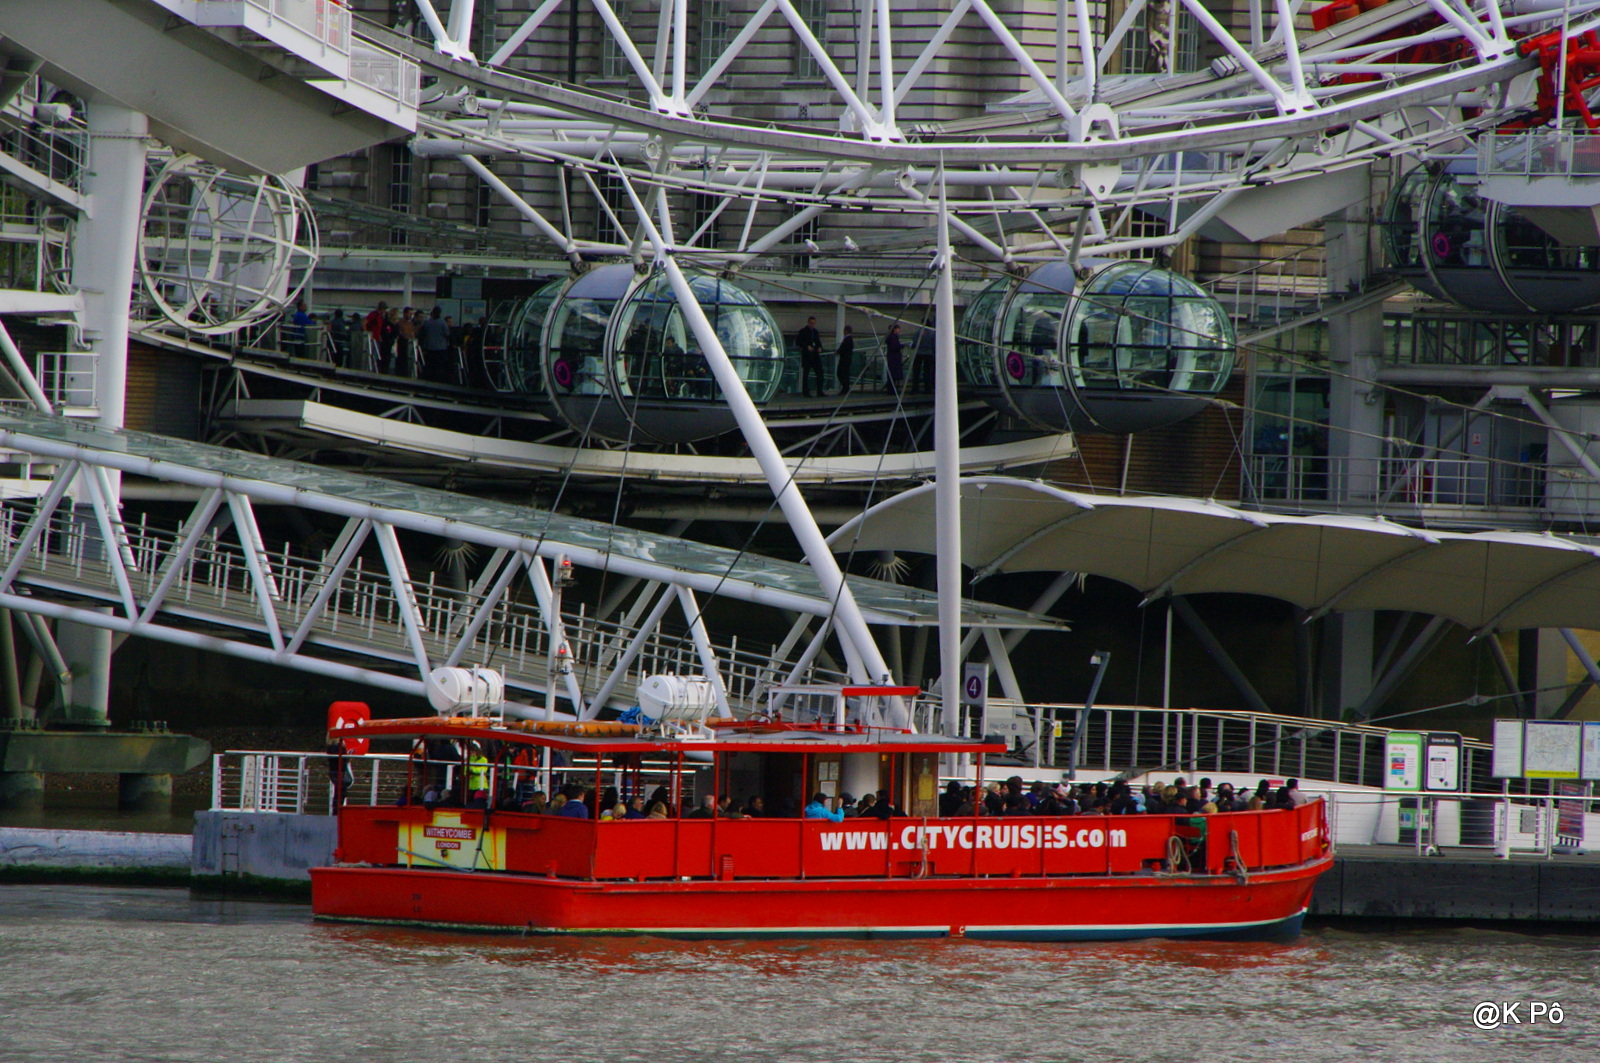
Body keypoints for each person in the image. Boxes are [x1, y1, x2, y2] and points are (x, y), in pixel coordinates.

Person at [417, 306, 451, 382]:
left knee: (431, 366)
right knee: (440, 367)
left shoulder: (428, 323)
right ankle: (439, 380)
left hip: (430, 348)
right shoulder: (442, 323)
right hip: (441, 348)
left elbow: (423, 334)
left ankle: (430, 380)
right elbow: (447, 334)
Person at [797, 315, 823, 397]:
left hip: (815, 355)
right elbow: (798, 342)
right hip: (807, 355)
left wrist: (819, 347)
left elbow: (818, 341)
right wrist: (806, 346)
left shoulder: (815, 332)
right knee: (806, 374)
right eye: (811, 323)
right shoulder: (803, 331)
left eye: (813, 323)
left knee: (819, 373)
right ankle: (806, 392)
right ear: (808, 323)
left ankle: (819, 391)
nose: (812, 325)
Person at [834, 325, 855, 394]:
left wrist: (838, 351)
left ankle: (845, 387)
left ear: (846, 331)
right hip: (846, 359)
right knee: (844, 374)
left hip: (845, 359)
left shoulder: (847, 339)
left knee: (841, 373)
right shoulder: (848, 339)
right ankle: (845, 387)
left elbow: (844, 348)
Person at [884, 323, 904, 393]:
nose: (899, 330)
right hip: (895, 358)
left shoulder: (890, 337)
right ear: (895, 329)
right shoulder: (893, 337)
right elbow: (895, 347)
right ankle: (892, 389)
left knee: (892, 373)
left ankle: (891, 389)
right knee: (894, 374)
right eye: (898, 329)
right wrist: (902, 346)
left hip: (891, 357)